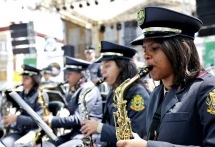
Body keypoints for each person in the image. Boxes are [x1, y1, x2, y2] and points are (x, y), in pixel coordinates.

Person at [116, 6, 215, 147]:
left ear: (183, 49)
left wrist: (147, 146)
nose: (146, 55)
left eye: (154, 48)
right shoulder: (156, 93)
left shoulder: (207, 88)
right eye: (144, 49)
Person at [80, 41, 150, 147]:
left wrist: (99, 127)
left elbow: (136, 137)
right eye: (102, 66)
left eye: (107, 66)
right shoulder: (113, 92)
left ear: (121, 67)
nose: (102, 70)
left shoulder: (138, 95)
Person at [41, 56, 103, 147]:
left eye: (69, 74)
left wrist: (52, 120)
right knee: (45, 145)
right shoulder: (75, 89)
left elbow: (79, 119)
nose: (67, 76)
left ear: (80, 74)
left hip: (87, 135)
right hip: (75, 134)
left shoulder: (88, 89)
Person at [2, 64, 43, 146]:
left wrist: (16, 118)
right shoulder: (21, 94)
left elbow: (39, 120)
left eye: (26, 78)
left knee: (19, 145)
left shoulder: (40, 95)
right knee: (3, 143)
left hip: (34, 131)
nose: (23, 80)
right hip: (20, 131)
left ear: (34, 80)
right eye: (23, 78)